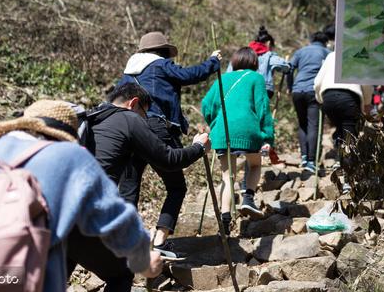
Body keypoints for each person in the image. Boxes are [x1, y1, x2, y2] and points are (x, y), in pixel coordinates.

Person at [0, 100, 162, 292]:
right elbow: (119, 223)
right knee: (119, 271)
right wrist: (144, 261)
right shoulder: (69, 157)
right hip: (27, 281)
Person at [116, 31, 221, 258]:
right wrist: (213, 61)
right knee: (176, 186)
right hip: (156, 128)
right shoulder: (161, 65)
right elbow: (191, 74)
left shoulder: (125, 75)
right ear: (161, 51)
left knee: (129, 188)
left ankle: (126, 244)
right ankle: (160, 241)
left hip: (126, 130)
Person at [202, 47, 274, 235]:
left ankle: (225, 221)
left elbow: (206, 105)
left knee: (228, 176)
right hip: (248, 129)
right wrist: (267, 136)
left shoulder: (222, 78)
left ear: (234, 62)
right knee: (255, 165)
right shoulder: (256, 78)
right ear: (254, 63)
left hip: (222, 130)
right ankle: (248, 198)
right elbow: (262, 108)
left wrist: (214, 122)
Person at [85, 83, 210, 185]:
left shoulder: (93, 115)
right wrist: (199, 146)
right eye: (144, 114)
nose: (145, 120)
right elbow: (169, 160)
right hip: (97, 197)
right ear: (133, 103)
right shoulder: (130, 119)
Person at [314, 51, 372, 169]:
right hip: (349, 98)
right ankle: (347, 171)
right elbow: (366, 84)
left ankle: (339, 158)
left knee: (340, 128)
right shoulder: (360, 55)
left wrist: (320, 99)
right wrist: (367, 103)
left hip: (328, 97)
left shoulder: (331, 55)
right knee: (350, 134)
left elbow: (317, 82)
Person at [288, 32, 330, 173]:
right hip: (314, 91)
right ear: (325, 42)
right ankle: (311, 161)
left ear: (311, 40)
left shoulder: (301, 51)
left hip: (297, 90)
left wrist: (290, 86)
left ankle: (304, 157)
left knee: (302, 123)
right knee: (314, 124)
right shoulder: (326, 52)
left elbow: (289, 69)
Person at [229, 26, 290, 99]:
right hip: (262, 89)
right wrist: (287, 67)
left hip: (240, 88)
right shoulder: (268, 55)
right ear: (269, 43)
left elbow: (229, 73)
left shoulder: (241, 54)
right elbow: (284, 66)